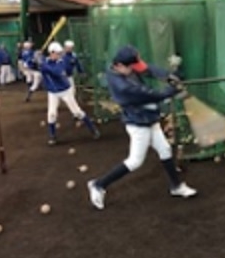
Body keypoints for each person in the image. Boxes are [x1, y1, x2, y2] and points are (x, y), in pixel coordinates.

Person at [87, 45, 197, 211]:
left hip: (149, 118)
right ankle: (98, 185)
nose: (134, 70)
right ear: (119, 66)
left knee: (165, 149)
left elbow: (148, 70)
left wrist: (168, 76)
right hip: (138, 124)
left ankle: (176, 186)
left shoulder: (123, 67)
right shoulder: (123, 86)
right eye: (131, 67)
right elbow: (152, 94)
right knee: (135, 161)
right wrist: (171, 90)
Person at [40, 42, 100, 145]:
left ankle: (93, 130)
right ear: (51, 53)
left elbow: (56, 72)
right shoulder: (45, 62)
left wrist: (43, 65)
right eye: (57, 53)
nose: (59, 55)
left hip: (65, 91)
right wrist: (35, 61)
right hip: (53, 92)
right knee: (51, 114)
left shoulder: (61, 62)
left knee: (77, 112)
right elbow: (37, 67)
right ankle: (52, 136)